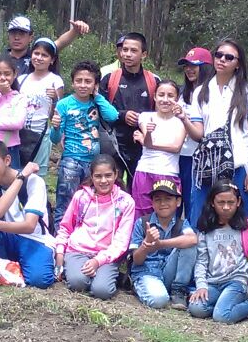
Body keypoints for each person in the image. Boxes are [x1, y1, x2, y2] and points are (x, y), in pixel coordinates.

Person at [190, 39, 248, 214]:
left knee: (238, 219)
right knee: (203, 218)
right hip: (207, 166)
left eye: (229, 57)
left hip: (238, 164)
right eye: (219, 55)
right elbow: (199, 133)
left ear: (238, 64)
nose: (222, 59)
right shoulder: (201, 91)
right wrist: (183, 120)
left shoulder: (247, 91)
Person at [49, 60, 120, 235]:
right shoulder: (64, 104)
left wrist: (97, 96)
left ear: (95, 84)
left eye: (88, 81)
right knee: (66, 203)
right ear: (72, 82)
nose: (82, 85)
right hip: (71, 161)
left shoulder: (96, 103)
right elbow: (55, 139)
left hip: (94, 163)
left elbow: (113, 116)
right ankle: (60, 239)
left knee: (89, 202)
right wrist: (55, 127)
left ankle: (82, 238)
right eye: (78, 81)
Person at [0, 139, 55, 288]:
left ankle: (15, 267)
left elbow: (29, 226)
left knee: (41, 280)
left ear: (7, 160)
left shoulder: (34, 181)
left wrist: (22, 178)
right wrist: (20, 177)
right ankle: (0, 266)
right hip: (6, 238)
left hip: (34, 239)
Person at [53, 155, 136, 300]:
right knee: (78, 283)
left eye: (108, 175)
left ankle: (105, 276)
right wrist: (60, 251)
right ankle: (84, 272)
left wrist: (98, 261)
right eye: (98, 176)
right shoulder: (81, 197)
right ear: (91, 176)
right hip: (78, 250)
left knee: (102, 291)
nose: (103, 181)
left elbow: (121, 241)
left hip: (107, 254)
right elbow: (65, 226)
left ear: (116, 174)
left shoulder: (126, 202)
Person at [188, 181, 248, 324]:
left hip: (236, 282)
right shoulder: (205, 230)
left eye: (230, 202)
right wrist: (201, 286)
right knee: (196, 308)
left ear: (238, 202)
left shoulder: (245, 227)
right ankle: (226, 305)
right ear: (212, 203)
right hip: (213, 283)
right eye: (221, 202)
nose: (226, 207)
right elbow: (201, 261)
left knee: (221, 316)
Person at [129, 179, 198, 310]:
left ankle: (178, 290)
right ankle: (140, 287)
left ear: (178, 202)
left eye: (168, 199)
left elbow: (193, 239)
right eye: (158, 199)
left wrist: (160, 244)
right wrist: (146, 244)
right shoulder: (142, 223)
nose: (163, 203)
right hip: (147, 272)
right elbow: (136, 260)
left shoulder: (182, 224)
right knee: (159, 300)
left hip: (168, 273)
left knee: (189, 245)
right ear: (152, 203)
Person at [99, 32, 159, 182]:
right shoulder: (109, 79)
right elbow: (99, 110)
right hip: (115, 144)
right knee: (114, 186)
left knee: (139, 188)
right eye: (125, 50)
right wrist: (122, 115)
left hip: (142, 146)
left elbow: (161, 113)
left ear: (143, 54)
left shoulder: (154, 81)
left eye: (133, 50)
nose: (127, 54)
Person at [131, 80, 186, 219]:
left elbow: (176, 147)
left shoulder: (181, 120)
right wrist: (148, 135)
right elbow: (149, 142)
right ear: (154, 96)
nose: (165, 100)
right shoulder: (145, 116)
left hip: (168, 172)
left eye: (170, 96)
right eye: (161, 95)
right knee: (142, 214)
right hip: (145, 171)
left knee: (167, 215)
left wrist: (146, 142)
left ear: (177, 99)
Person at [16, 38, 64, 176]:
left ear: (52, 60)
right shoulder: (21, 79)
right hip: (18, 133)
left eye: (44, 55)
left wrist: (54, 99)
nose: (39, 58)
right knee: (17, 172)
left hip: (41, 135)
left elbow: (57, 114)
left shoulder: (55, 80)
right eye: (36, 53)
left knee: (37, 175)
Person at [0, 15, 90, 80]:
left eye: (21, 34)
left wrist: (75, 30)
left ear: (31, 37)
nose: (17, 37)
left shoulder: (37, 56)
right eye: (13, 33)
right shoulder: (0, 61)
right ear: (8, 36)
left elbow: (60, 43)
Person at [175, 47, 212, 218]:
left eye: (194, 65)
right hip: (177, 155)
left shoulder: (212, 95)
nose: (189, 69)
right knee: (174, 201)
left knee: (194, 204)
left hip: (199, 157)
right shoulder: (182, 93)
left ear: (205, 67)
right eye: (186, 66)